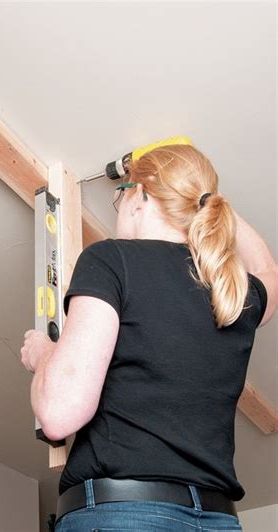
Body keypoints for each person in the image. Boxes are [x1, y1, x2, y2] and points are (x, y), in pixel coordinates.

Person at [20, 144, 277, 531]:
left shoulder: (113, 259)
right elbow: (269, 272)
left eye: (118, 197)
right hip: (219, 521)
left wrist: (43, 356)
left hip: (124, 515)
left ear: (140, 197)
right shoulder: (233, 291)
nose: (119, 208)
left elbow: (59, 415)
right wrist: (205, 198)